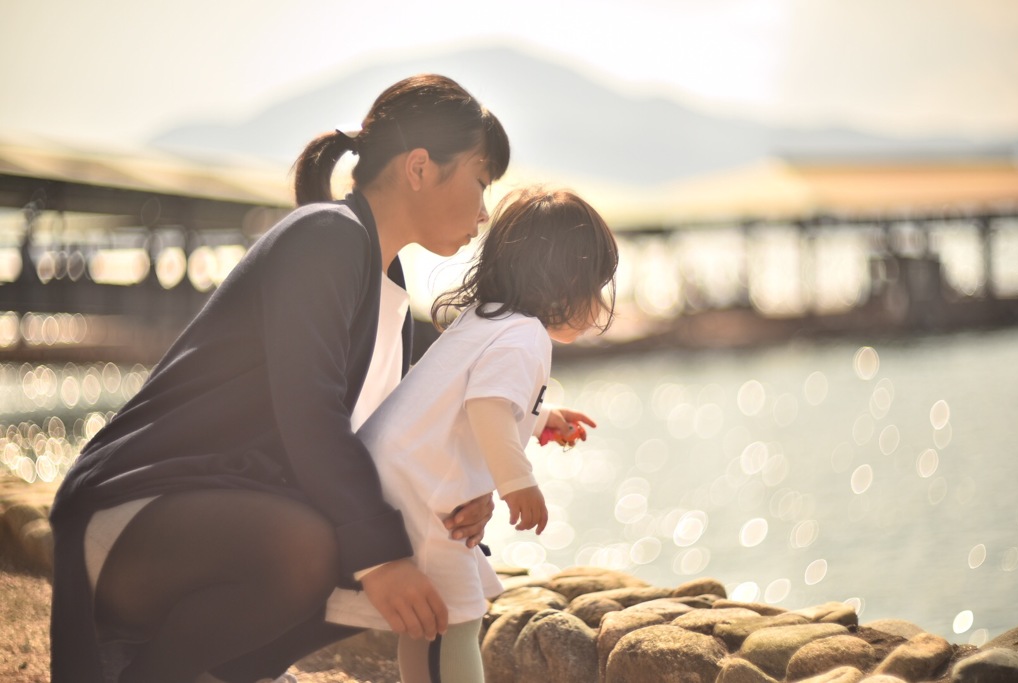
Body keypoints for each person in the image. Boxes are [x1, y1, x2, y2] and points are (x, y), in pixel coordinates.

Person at [47, 74, 577, 683]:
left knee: (403, 542)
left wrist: (469, 490)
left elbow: (403, 443)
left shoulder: (391, 288)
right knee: (342, 546)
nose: (485, 212)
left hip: (215, 519)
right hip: (129, 514)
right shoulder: (325, 237)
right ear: (420, 167)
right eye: (481, 181)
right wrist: (381, 558)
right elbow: (312, 416)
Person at [325, 187, 619, 683]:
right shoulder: (525, 334)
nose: (600, 301)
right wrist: (517, 482)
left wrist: (543, 418)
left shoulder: (488, 319)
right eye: (596, 284)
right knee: (453, 620)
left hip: (391, 481)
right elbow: (486, 407)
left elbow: (477, 399)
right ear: (564, 280)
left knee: (425, 624)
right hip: (423, 497)